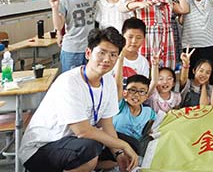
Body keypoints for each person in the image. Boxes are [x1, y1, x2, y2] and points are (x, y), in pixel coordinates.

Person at [20, 28, 138, 172]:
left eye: (113, 55)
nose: (107, 59)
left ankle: (89, 166)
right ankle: (85, 165)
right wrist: (123, 146)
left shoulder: (108, 81)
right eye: (102, 53)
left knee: (132, 145)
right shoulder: (69, 81)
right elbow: (83, 131)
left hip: (75, 142)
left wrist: (119, 153)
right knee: (90, 149)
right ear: (88, 53)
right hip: (41, 148)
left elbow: (107, 125)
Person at [122, 0, 189, 69]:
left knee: (165, 70)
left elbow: (184, 9)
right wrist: (138, 4)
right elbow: (122, 8)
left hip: (166, 39)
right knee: (145, 69)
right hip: (147, 40)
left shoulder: (167, 0)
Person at [51, 0, 100, 72]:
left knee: (89, 79)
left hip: (90, 48)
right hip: (71, 49)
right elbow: (58, 26)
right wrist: (54, 8)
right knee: (71, 80)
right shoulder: (64, 0)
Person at [112, 74, 156, 157]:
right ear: (124, 93)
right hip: (114, 144)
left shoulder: (149, 112)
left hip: (135, 149)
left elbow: (156, 126)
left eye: (141, 91)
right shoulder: (120, 106)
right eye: (132, 90)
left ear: (146, 96)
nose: (136, 95)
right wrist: (120, 63)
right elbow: (118, 84)